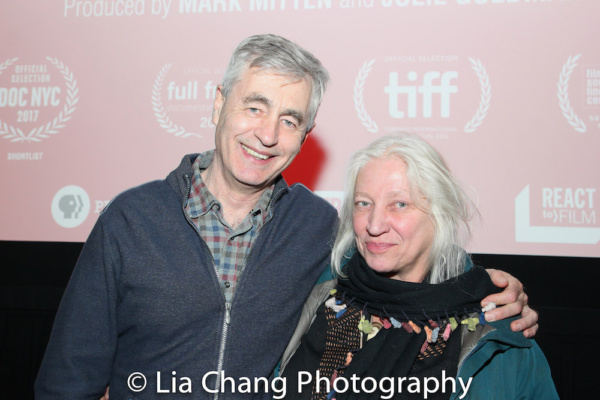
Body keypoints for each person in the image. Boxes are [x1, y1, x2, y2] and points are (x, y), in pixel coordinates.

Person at [35, 36, 537, 400]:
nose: (267, 134)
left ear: (305, 134)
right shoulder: (130, 220)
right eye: (254, 107)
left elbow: (411, 259)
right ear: (218, 104)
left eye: (290, 120)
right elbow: (67, 379)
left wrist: (490, 288)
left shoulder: (321, 229)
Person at [279, 134, 557, 400]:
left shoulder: (497, 333)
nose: (374, 225)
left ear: (439, 213)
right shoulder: (316, 293)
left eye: (399, 204)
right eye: (364, 203)